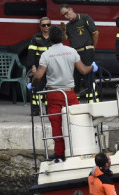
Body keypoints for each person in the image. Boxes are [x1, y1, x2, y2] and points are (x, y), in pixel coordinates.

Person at [32, 26, 95, 161]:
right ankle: (77, 151)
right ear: (63, 37)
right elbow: (83, 71)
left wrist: (33, 80)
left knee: (56, 124)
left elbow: (39, 76)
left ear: (50, 39)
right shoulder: (71, 52)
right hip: (69, 93)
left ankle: (59, 154)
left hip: (53, 93)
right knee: (76, 121)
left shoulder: (46, 55)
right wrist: (93, 66)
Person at [60, 4, 99, 102]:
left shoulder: (84, 18)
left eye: (66, 13)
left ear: (71, 9)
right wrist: (64, 30)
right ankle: (75, 103)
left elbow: (95, 33)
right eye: (64, 15)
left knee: (88, 78)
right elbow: (64, 39)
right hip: (75, 54)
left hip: (86, 51)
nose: (66, 16)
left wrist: (92, 48)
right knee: (75, 78)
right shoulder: (68, 26)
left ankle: (93, 102)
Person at [26, 17, 53, 116]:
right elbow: (31, 53)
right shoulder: (35, 38)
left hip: (51, 68)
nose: (46, 27)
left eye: (48, 25)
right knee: (37, 89)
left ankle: (49, 110)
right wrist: (33, 67)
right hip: (40, 67)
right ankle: (35, 110)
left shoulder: (54, 37)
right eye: (44, 25)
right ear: (40, 27)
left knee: (50, 90)